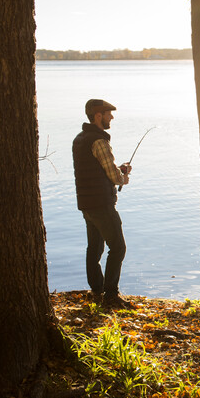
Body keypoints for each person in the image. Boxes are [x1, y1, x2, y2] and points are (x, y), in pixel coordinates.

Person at [72, 99, 132, 308]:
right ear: (98, 115)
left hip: (86, 204)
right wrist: (123, 176)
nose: (111, 117)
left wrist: (118, 170)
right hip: (102, 205)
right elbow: (113, 176)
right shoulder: (99, 141)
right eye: (108, 114)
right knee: (118, 247)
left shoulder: (80, 139)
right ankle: (111, 295)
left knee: (94, 248)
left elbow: (96, 169)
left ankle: (97, 289)